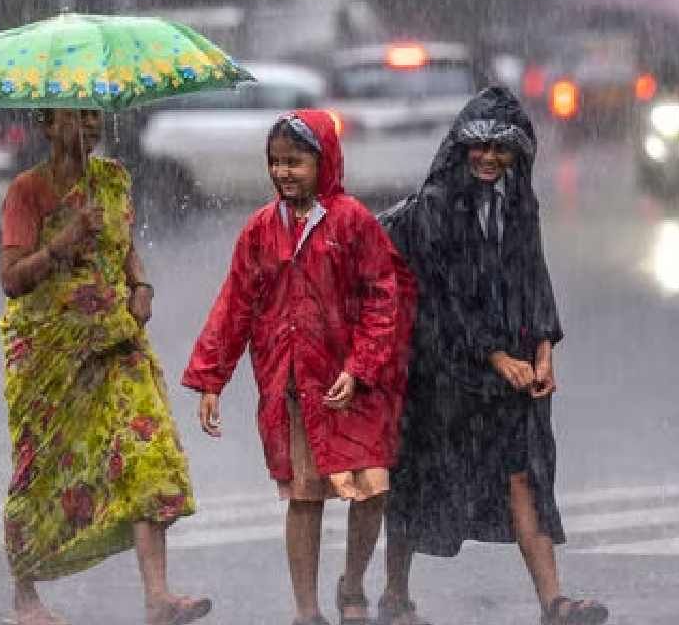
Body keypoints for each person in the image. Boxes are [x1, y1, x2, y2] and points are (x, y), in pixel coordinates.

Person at [378, 86, 608, 625]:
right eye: (478, 146)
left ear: (517, 154)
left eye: (500, 149)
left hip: (510, 372)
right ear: (461, 148)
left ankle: (554, 601)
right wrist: (495, 356)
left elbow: (534, 280)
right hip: (443, 373)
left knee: (524, 474)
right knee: (418, 477)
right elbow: (444, 297)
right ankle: (394, 594)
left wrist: (543, 352)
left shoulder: (518, 202)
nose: (488, 158)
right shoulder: (436, 208)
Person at [183, 110, 413, 625]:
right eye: (276, 162)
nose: (284, 172)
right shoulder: (261, 230)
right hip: (294, 388)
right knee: (305, 498)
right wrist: (210, 379)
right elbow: (235, 304)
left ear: (324, 161)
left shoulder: (353, 222)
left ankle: (352, 585)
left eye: (296, 161)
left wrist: (362, 366)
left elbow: (383, 299)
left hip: (353, 388)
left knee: (370, 492)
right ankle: (306, 611)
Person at [0, 108, 210, 625]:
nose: (90, 126)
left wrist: (141, 287)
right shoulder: (28, 192)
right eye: (77, 117)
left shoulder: (113, 180)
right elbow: (11, 279)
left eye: (95, 116)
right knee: (42, 468)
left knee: (145, 448)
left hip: (116, 339)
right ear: (48, 125)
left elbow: (126, 251)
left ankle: (158, 596)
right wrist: (61, 244)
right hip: (51, 352)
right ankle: (26, 600)